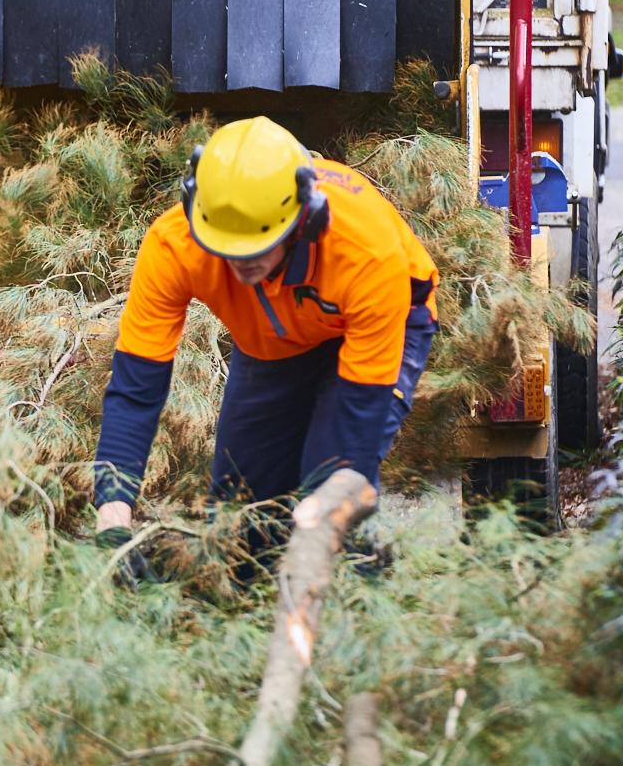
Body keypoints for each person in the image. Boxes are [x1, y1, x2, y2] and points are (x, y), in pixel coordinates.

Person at [92, 116, 439, 546]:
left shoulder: (366, 252)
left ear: (305, 220)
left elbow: (357, 419)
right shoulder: (172, 246)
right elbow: (136, 389)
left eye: (256, 247)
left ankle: (351, 593)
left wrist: (324, 513)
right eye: (224, 249)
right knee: (240, 516)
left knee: (328, 489)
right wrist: (113, 516)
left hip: (383, 323)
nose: (240, 265)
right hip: (273, 341)